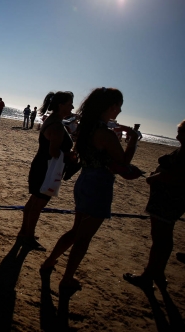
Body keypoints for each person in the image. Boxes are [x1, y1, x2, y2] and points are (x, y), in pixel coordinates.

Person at [40, 87, 138, 303]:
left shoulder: (87, 128)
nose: (119, 110)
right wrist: (132, 142)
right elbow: (123, 163)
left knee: (76, 231)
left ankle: (50, 262)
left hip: (85, 180)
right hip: (99, 184)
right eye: (118, 106)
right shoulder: (104, 133)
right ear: (111, 107)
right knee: (83, 237)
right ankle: (67, 278)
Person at [123, 118, 185, 288]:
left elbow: (176, 175)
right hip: (169, 196)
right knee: (163, 236)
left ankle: (148, 276)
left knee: (160, 237)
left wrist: (153, 178)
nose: (179, 133)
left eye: (183, 131)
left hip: (170, 197)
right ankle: (158, 272)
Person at [17, 91, 75, 250]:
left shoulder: (53, 121)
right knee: (39, 203)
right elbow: (54, 151)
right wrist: (69, 155)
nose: (72, 107)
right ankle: (28, 236)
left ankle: (24, 231)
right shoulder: (56, 125)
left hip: (41, 165)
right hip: (47, 168)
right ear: (60, 105)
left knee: (34, 200)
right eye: (70, 104)